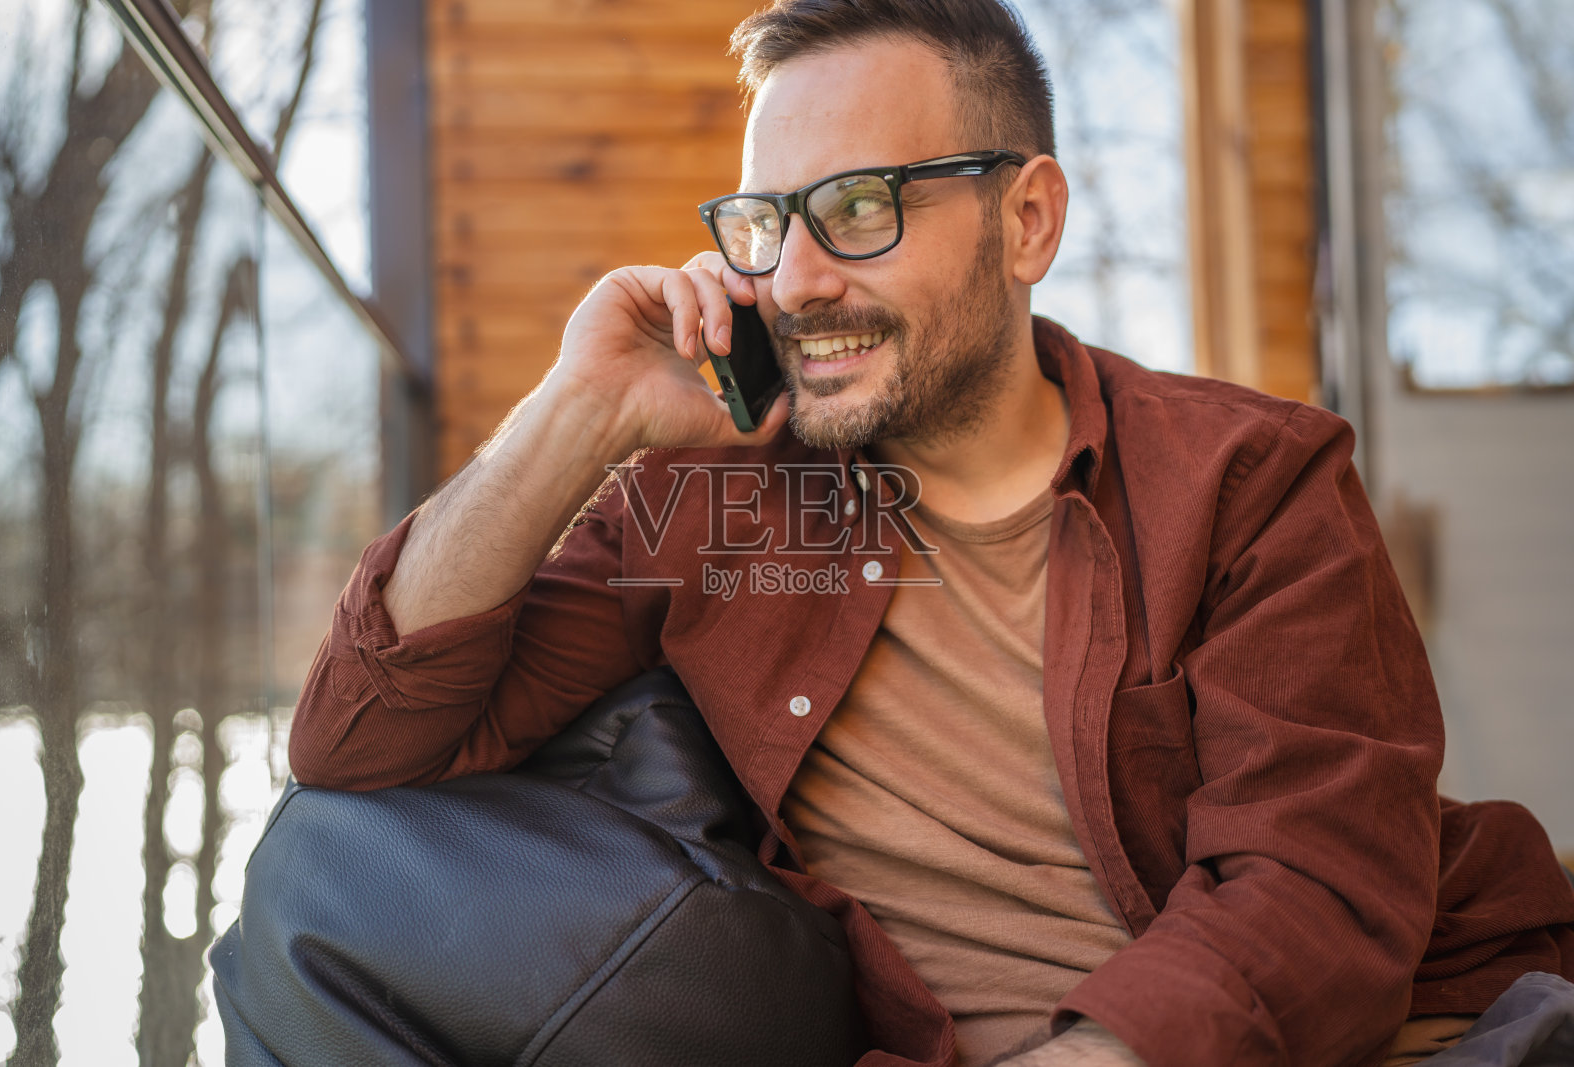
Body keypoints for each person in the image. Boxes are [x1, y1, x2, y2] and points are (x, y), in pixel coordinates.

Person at [285, 1, 1574, 1065]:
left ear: (1028, 221)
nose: (794, 279)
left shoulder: (1252, 479)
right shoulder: (707, 503)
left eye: (857, 211)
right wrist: (577, 413)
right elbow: (357, 739)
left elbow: (1314, 894)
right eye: (764, 225)